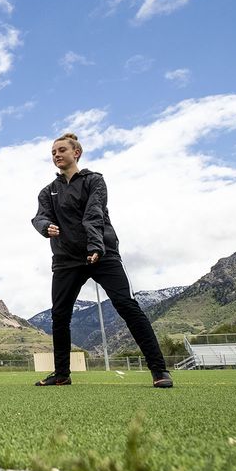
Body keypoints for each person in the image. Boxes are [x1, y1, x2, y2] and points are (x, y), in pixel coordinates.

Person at [31, 132, 173, 388]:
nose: (56, 155)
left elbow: (94, 213)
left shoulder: (94, 181)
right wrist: (45, 227)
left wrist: (96, 245)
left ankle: (159, 370)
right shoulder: (48, 191)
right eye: (53, 152)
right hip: (66, 259)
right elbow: (40, 217)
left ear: (76, 153)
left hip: (101, 252)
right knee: (59, 315)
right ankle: (61, 374)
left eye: (61, 150)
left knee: (127, 306)